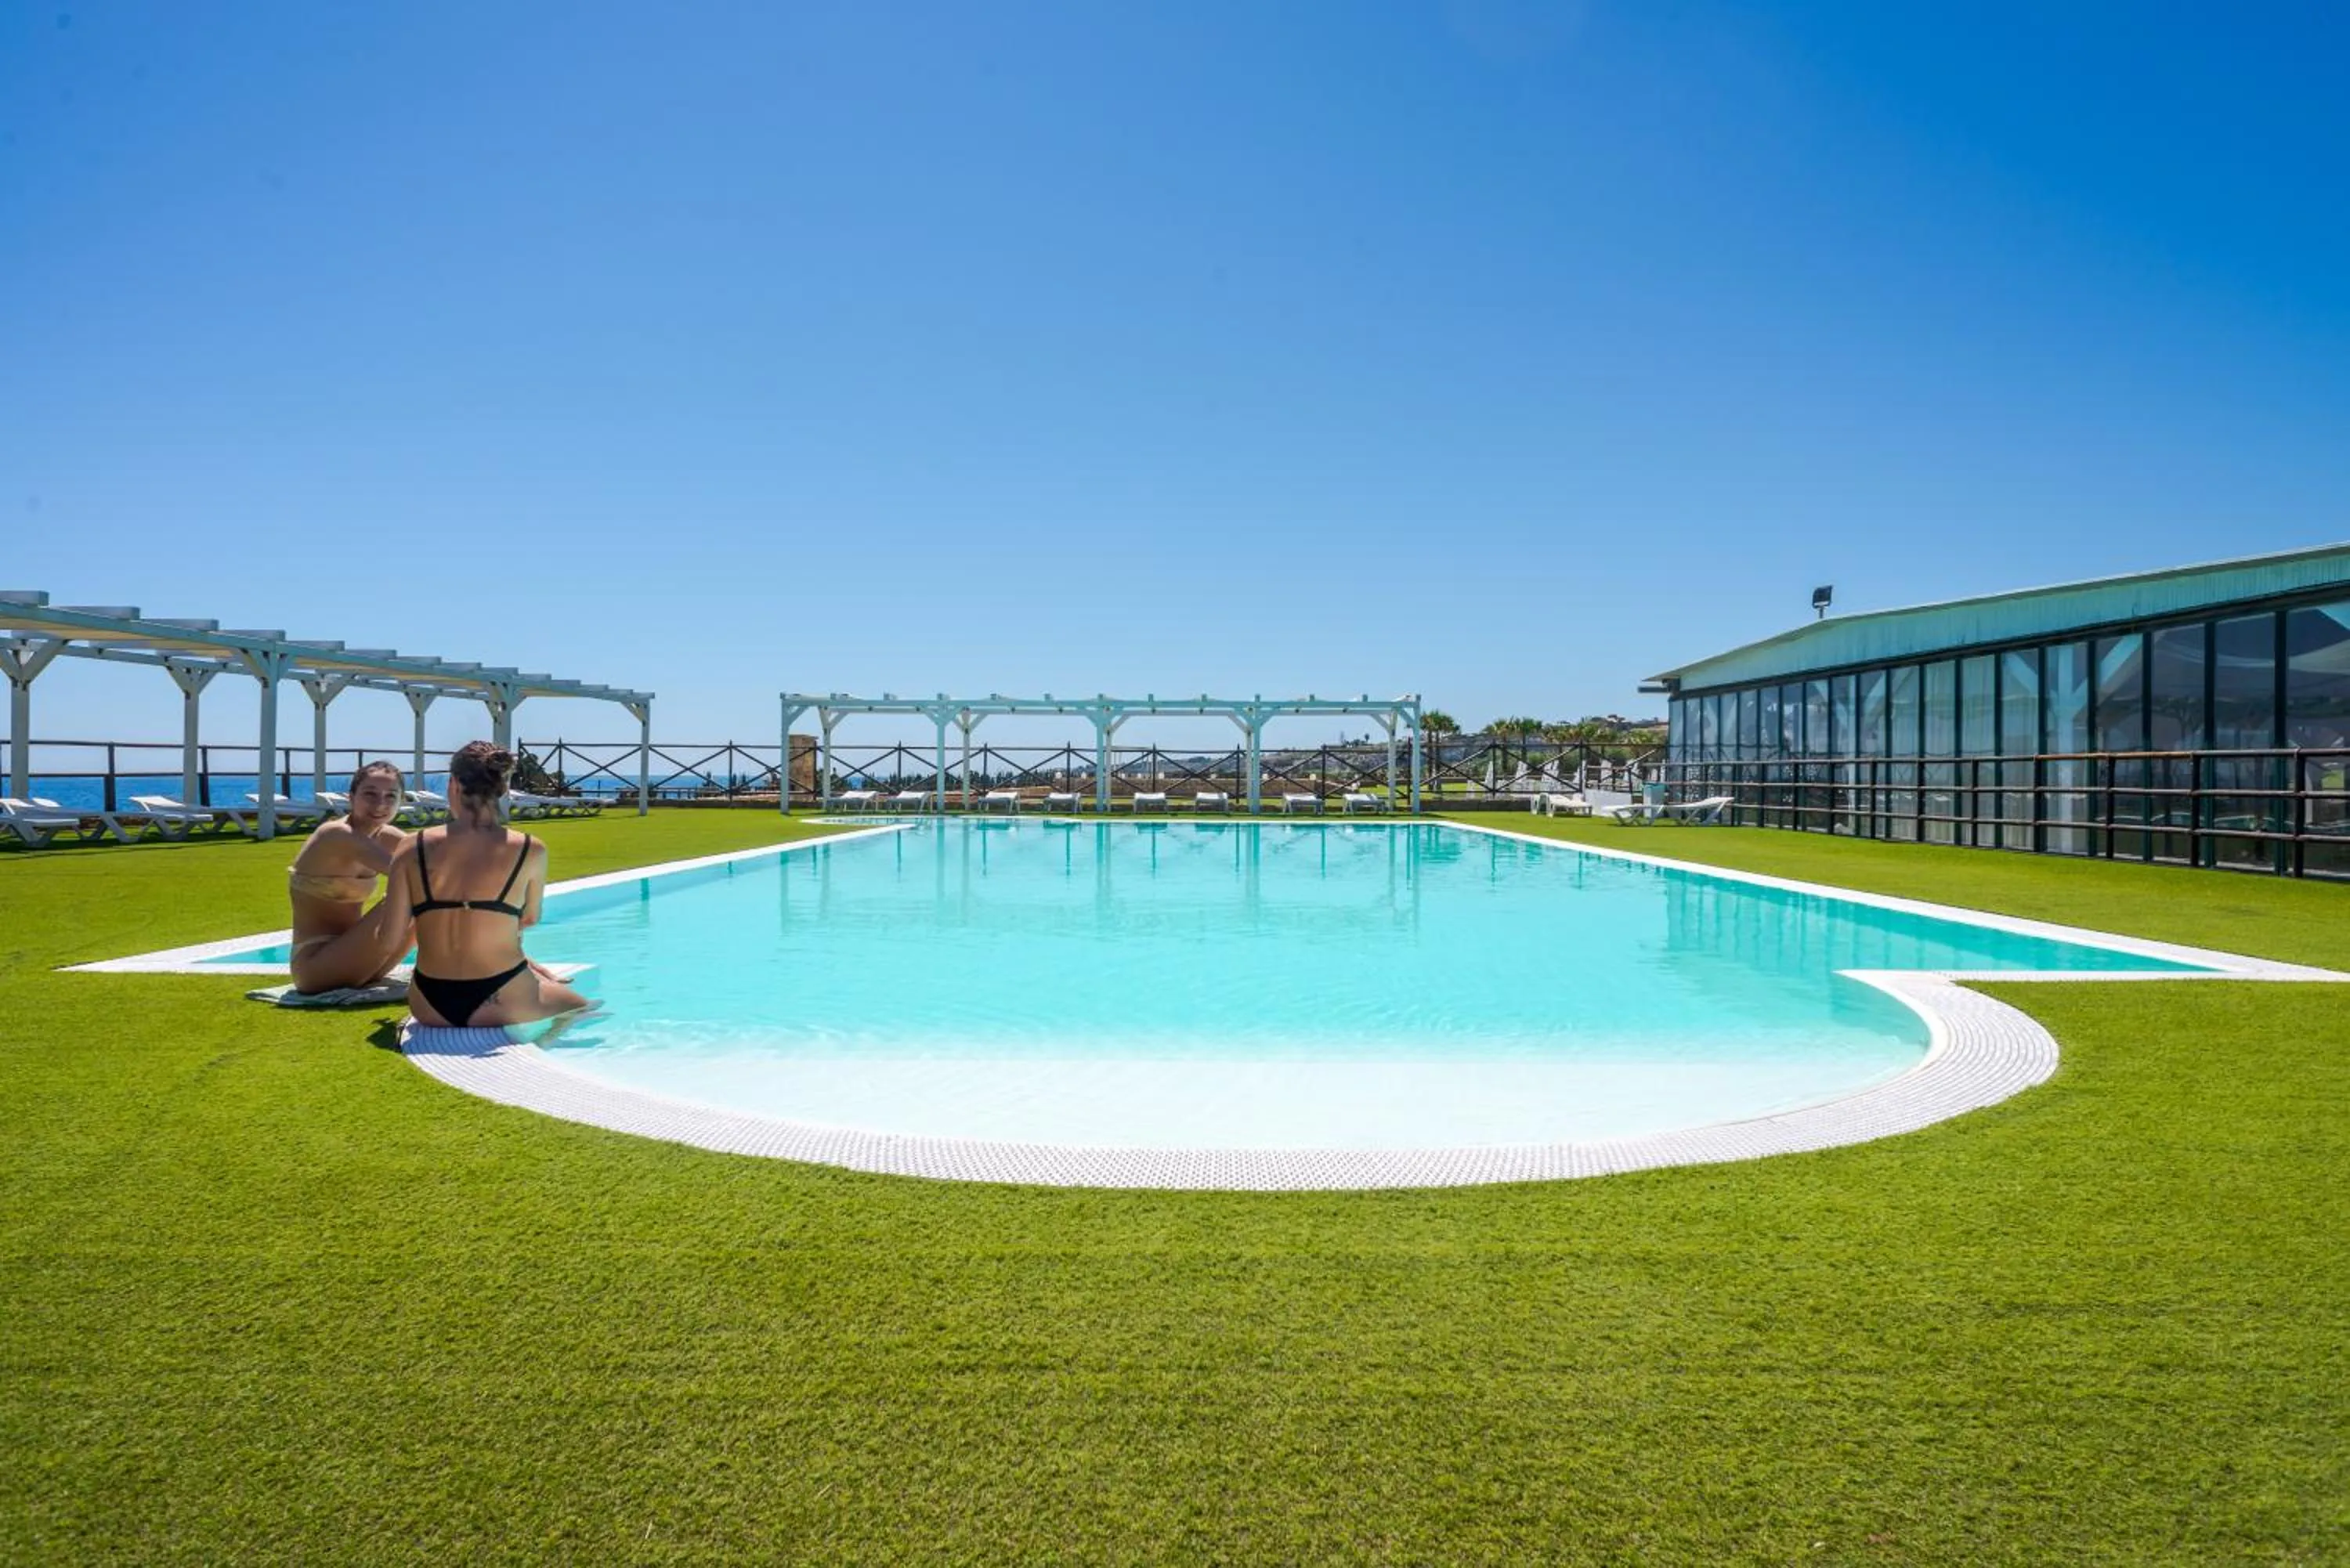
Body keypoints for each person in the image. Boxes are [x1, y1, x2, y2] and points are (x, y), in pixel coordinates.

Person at [383, 740, 591, 1028]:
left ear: (453, 784)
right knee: (585, 1008)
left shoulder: (410, 846)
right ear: (503, 788)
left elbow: (388, 938)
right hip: (503, 998)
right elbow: (529, 918)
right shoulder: (530, 849)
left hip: (429, 1005)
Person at [287, 761, 414, 994]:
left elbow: (431, 858)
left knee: (431, 889)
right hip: (316, 967)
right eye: (370, 794)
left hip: (361, 959)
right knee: (415, 890)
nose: (380, 804)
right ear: (351, 797)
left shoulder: (385, 836)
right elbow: (412, 873)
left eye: (390, 796)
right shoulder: (337, 834)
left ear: (400, 801)